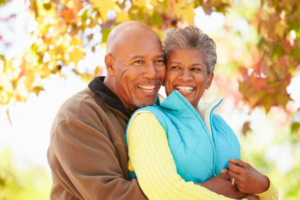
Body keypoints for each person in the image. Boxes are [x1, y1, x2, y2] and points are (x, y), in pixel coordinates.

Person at [125, 26, 278, 200]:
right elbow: (165, 192)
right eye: (176, 67)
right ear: (165, 74)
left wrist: (265, 186)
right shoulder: (147, 121)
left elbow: (255, 188)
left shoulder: (221, 126)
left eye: (195, 69)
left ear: (209, 79)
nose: (185, 77)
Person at [47, 21, 165, 199]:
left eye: (159, 61)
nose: (152, 73)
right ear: (110, 65)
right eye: (138, 61)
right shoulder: (77, 116)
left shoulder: (160, 112)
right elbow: (114, 196)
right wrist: (203, 190)